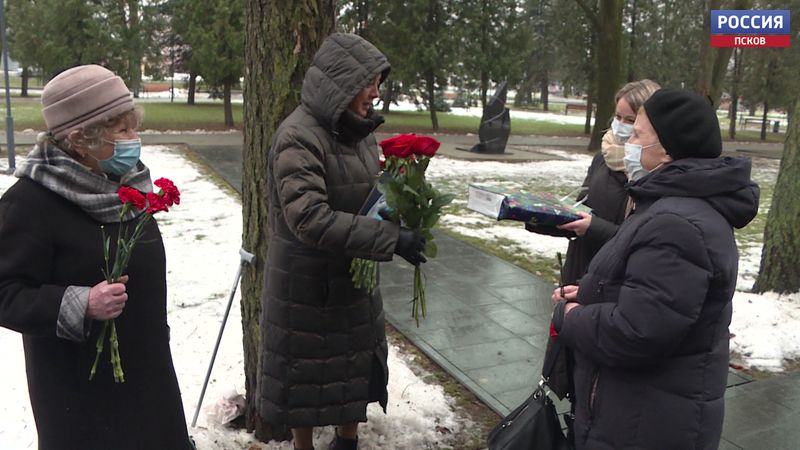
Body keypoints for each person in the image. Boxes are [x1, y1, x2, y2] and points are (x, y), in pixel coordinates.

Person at [550, 88, 759, 449]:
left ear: (666, 150)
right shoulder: (667, 205)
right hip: (636, 410)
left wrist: (570, 316)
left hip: (645, 423)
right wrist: (587, 292)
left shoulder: (677, 222)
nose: (627, 140)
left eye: (637, 133)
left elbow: (638, 331)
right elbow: (655, 296)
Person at [0, 65, 191, 449]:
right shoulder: (30, 203)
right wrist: (80, 303)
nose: (133, 140)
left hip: (149, 380)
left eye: (132, 126)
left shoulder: (128, 185)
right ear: (79, 139)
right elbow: (5, 293)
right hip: (80, 397)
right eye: (120, 130)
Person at [258, 33, 426, 450]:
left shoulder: (361, 133)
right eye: (369, 82)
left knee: (352, 374)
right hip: (307, 288)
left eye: (378, 83)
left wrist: (398, 203)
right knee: (306, 381)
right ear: (340, 82)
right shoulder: (297, 136)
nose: (375, 92)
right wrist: (390, 238)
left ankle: (347, 442)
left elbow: (364, 193)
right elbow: (309, 218)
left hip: (353, 281)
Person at [555, 79, 660, 284]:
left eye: (630, 120)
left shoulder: (652, 170)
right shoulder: (603, 157)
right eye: (618, 116)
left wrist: (593, 227)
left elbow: (642, 239)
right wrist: (542, 216)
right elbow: (581, 204)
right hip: (579, 269)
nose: (620, 125)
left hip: (614, 281)